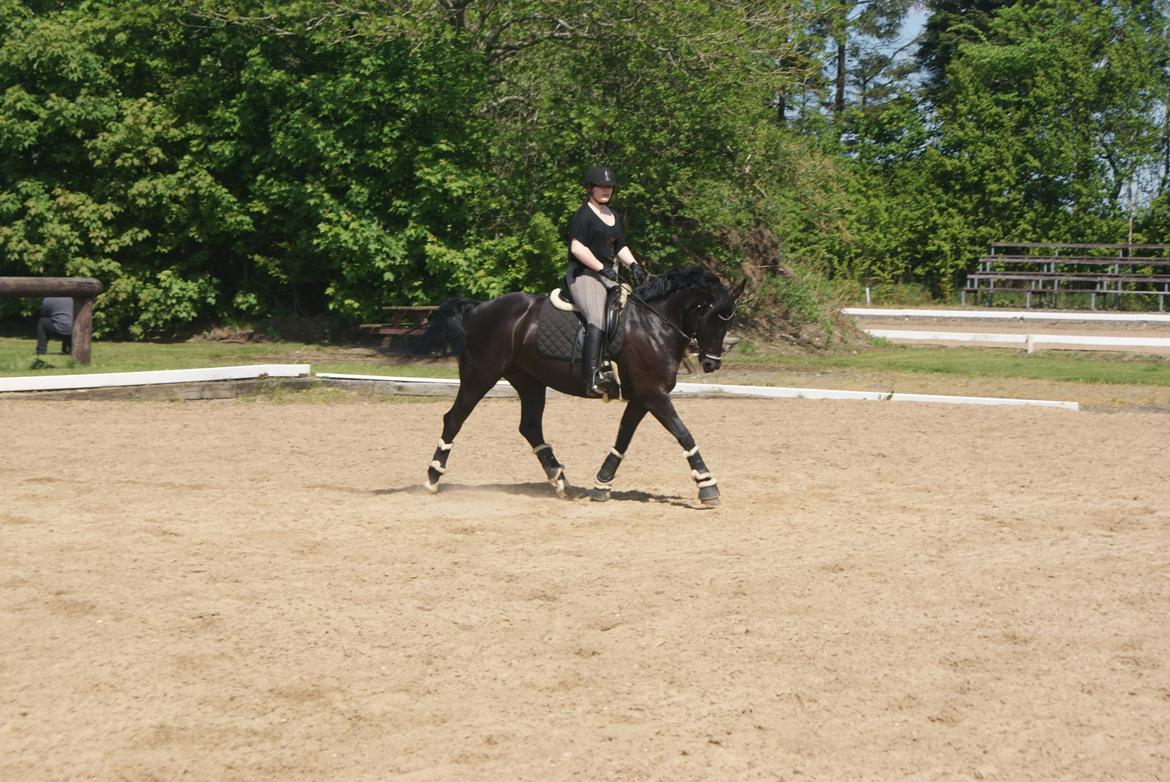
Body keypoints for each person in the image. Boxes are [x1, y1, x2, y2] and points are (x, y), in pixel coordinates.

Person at [566, 164, 647, 397]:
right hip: (584, 275)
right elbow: (577, 248)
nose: (606, 190)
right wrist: (602, 268)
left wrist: (634, 264)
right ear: (590, 188)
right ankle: (592, 377)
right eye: (601, 186)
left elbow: (620, 246)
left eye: (609, 186)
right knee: (597, 317)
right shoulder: (583, 215)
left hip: (607, 276)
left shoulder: (613, 216)